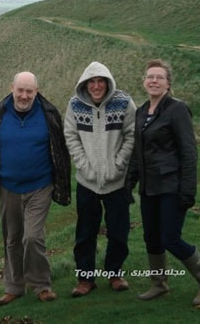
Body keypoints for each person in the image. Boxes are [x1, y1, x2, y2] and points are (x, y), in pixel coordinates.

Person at [125, 59, 200, 308]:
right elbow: (138, 152)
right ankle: (159, 284)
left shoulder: (178, 110)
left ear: (168, 83)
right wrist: (129, 184)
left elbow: (189, 153)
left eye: (159, 77)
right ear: (144, 81)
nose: (153, 80)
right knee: (152, 238)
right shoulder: (141, 111)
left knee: (171, 238)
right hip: (149, 188)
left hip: (171, 186)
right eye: (149, 76)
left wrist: (188, 190)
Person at [0, 71, 71, 306]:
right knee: (12, 239)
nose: (24, 96)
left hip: (40, 186)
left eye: (29, 91)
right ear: (12, 88)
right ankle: (14, 287)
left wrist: (62, 184)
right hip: (8, 188)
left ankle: (41, 285)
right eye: (20, 90)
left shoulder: (48, 114)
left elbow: (60, 150)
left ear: (37, 91)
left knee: (33, 237)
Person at [64, 61, 136, 297]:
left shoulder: (124, 102)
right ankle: (85, 279)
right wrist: (84, 167)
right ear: (85, 83)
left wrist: (119, 165)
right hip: (87, 182)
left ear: (107, 82)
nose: (96, 86)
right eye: (92, 82)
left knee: (118, 230)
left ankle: (114, 273)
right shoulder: (75, 105)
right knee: (85, 232)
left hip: (117, 181)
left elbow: (131, 135)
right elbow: (71, 136)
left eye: (100, 81)